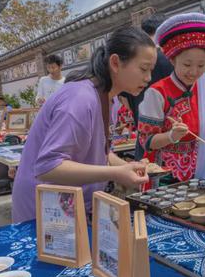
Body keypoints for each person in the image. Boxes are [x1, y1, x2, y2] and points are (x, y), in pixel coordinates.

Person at [11, 26, 155, 222]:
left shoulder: (109, 100)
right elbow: (48, 166)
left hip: (71, 203)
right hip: (45, 208)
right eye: (143, 69)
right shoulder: (80, 98)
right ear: (115, 62)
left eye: (150, 71)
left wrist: (129, 167)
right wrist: (117, 173)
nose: (148, 78)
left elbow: (100, 151)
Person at [137, 12, 205, 182]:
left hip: (197, 170)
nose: (194, 72)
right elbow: (146, 141)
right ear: (173, 60)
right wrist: (171, 136)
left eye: (201, 65)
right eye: (187, 64)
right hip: (164, 175)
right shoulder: (157, 93)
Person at [117, 13, 174, 161]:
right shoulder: (172, 59)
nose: (147, 77)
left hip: (144, 145)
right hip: (173, 148)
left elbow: (125, 102)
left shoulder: (131, 60)